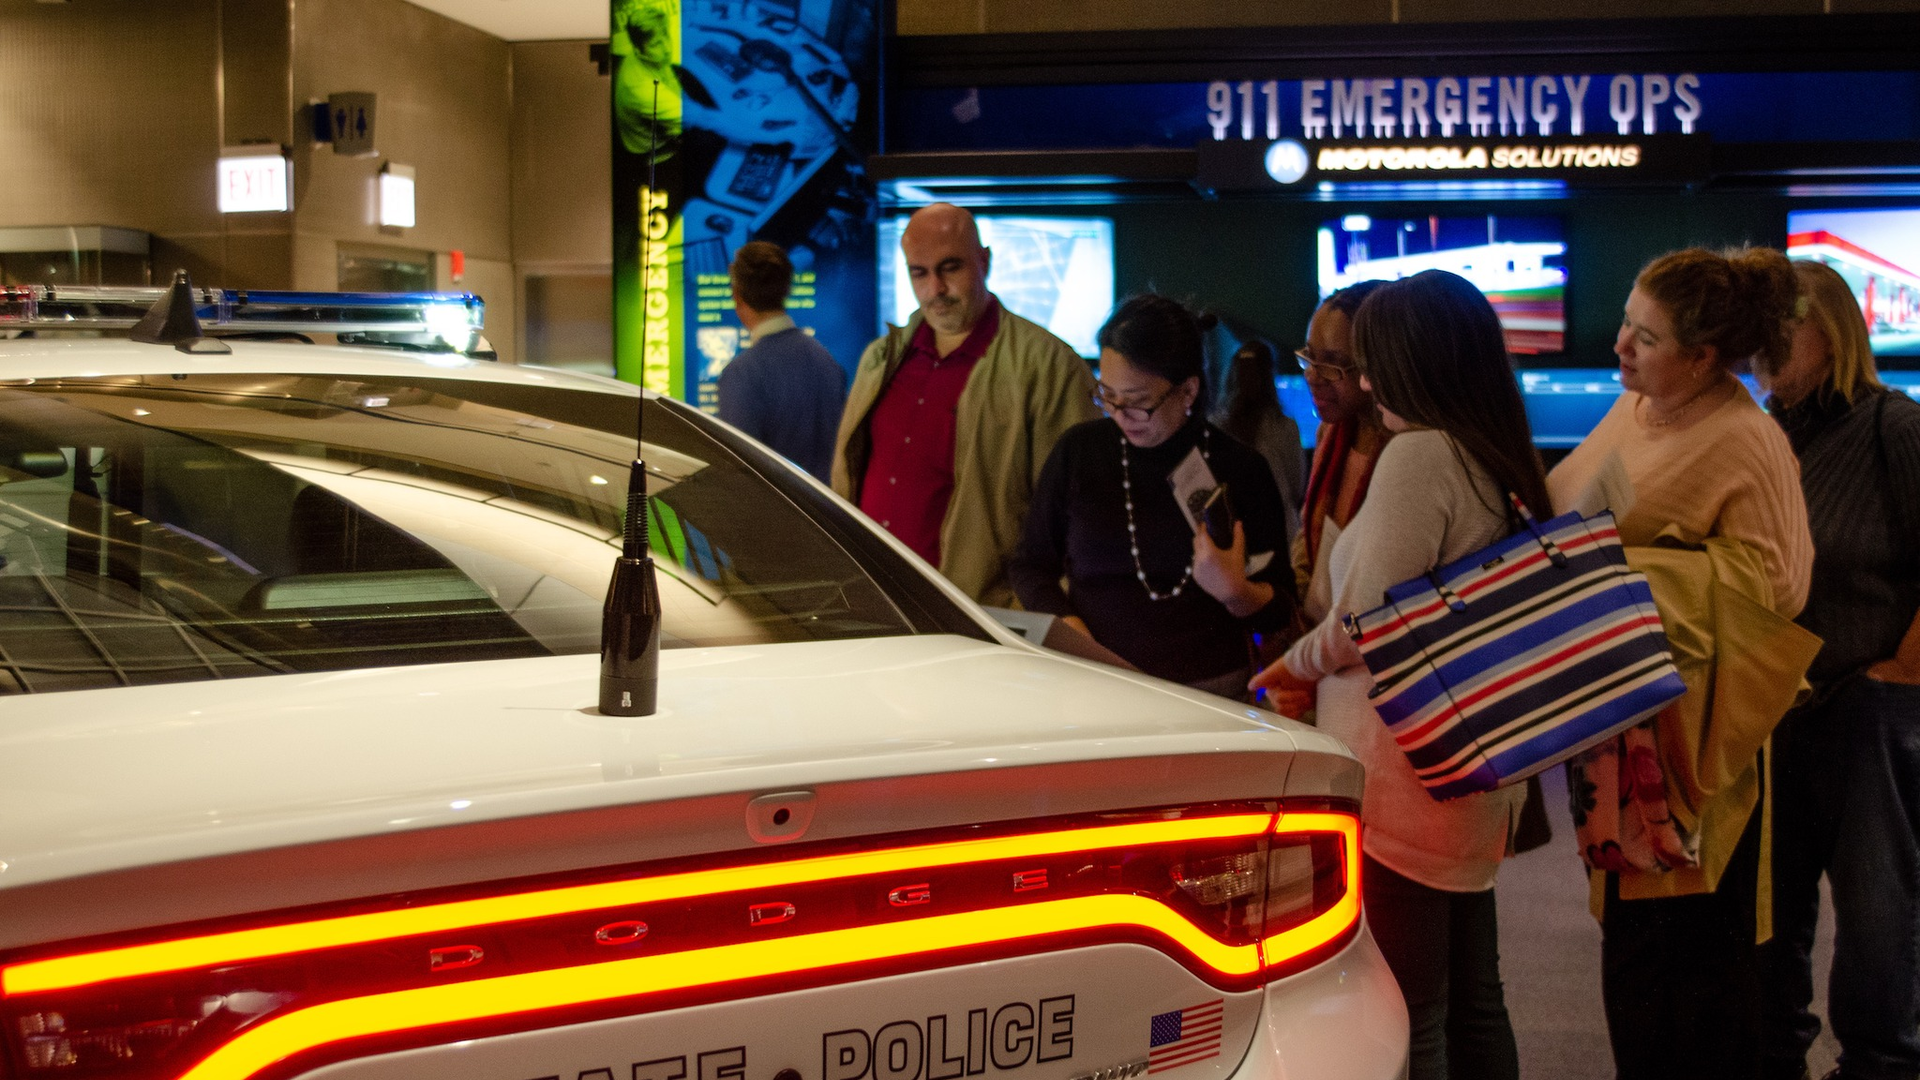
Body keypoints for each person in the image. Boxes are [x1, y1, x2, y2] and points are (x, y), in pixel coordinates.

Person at [1250, 270, 1549, 1080]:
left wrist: (1287, 666)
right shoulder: (1495, 451)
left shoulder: (1421, 454)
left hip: (1401, 775)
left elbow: (1365, 620)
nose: (1364, 380)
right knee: (1472, 999)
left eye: (1372, 360)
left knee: (1409, 1013)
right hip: (1469, 773)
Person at [1546, 247, 1814, 1080]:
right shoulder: (1636, 407)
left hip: (1697, 742)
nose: (1619, 344)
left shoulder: (1746, 437)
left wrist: (1632, 573)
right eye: (1627, 321)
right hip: (1623, 724)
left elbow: (1783, 586)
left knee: (1694, 968)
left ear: (1702, 358)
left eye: (1647, 336)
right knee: (1634, 953)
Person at [1758, 259, 1920, 1080]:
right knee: (1772, 914)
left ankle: (1882, 1066)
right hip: (1775, 709)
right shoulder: (1766, 435)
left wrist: (1903, 668)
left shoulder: (1895, 425)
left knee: (1879, 914)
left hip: (1868, 705)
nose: (1767, 345)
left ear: (1834, 329)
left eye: (1784, 326)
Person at [1009, 295, 1296, 697]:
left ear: (1188, 390)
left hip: (1213, 696)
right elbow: (1030, 567)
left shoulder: (1241, 468)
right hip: (1098, 684)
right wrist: (1071, 633)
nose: (1119, 414)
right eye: (1108, 395)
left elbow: (1283, 610)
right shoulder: (1079, 452)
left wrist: (1237, 593)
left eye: (1139, 401)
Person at [831, 203, 1098, 606]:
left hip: (976, 612)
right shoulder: (881, 358)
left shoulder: (1049, 367)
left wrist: (1037, 610)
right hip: (873, 599)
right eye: (919, 273)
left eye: (950, 268)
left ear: (984, 261)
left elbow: (1076, 514)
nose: (935, 289)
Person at [1293, 279, 1390, 624]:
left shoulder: (1406, 451)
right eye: (1309, 358)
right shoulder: (1330, 432)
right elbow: (1310, 540)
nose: (1313, 376)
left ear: (1376, 367)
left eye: (1332, 364)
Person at [717, 241, 847, 482]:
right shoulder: (827, 362)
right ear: (786, 289)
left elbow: (739, 476)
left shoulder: (741, 375)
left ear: (737, 296)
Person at [1213, 339, 1305, 545]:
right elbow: (1296, 487)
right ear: (1269, 376)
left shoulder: (1215, 427)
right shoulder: (1284, 426)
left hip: (1234, 538)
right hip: (1282, 534)